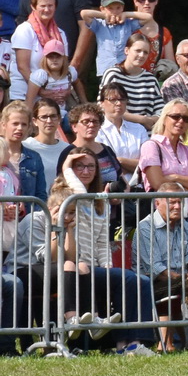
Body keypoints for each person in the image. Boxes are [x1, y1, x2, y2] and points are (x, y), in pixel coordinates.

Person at [49, 147, 154, 354]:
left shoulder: (100, 203)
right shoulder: (68, 197)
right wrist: (66, 166)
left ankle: (130, 344)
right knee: (129, 279)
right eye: (79, 166)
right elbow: (79, 190)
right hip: (72, 266)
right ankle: (129, 342)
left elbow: (102, 243)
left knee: (140, 280)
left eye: (91, 166)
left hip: (94, 266)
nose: (86, 171)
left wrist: (107, 266)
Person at [132, 193, 188, 352]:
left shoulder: (185, 225)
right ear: (157, 203)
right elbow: (156, 269)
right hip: (151, 284)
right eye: (172, 202)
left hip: (183, 280)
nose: (178, 207)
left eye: (180, 202)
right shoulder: (146, 226)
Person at [9, 0, 68, 101]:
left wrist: (65, 89)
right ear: (33, 7)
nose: (47, 9)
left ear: (55, 6)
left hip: (52, 96)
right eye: (42, 6)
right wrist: (41, 92)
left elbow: (64, 65)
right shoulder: (24, 30)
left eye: (50, 5)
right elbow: (22, 67)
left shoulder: (61, 33)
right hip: (23, 94)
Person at [98, 33, 163, 125]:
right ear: (127, 50)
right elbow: (103, 107)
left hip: (146, 132)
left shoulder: (151, 80)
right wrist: (142, 120)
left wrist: (151, 121)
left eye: (145, 52)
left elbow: (161, 111)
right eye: (138, 51)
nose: (141, 55)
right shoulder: (113, 75)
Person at [74, 0, 142, 77]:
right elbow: (84, 13)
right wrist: (104, 15)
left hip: (124, 69)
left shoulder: (128, 23)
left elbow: (147, 17)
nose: (114, 12)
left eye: (118, 8)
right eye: (110, 8)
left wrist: (126, 14)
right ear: (102, 8)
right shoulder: (99, 24)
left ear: (123, 7)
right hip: (105, 70)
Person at [95, 83, 149, 183]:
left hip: (139, 187)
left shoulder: (139, 129)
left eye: (122, 99)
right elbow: (103, 166)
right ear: (102, 103)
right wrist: (133, 165)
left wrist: (120, 161)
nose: (119, 103)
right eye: (113, 99)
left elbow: (148, 164)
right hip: (111, 188)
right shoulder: (96, 130)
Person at [24, 50, 75, 121]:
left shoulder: (70, 72)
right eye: (50, 57)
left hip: (63, 113)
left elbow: (77, 83)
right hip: (44, 115)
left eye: (58, 57)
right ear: (45, 59)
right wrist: (29, 121)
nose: (54, 60)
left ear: (64, 58)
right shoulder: (40, 75)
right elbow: (29, 99)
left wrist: (83, 101)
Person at [23, 99, 67, 177]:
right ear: (35, 121)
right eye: (44, 117)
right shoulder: (26, 147)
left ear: (59, 119)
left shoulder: (67, 149)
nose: (49, 121)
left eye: (53, 116)